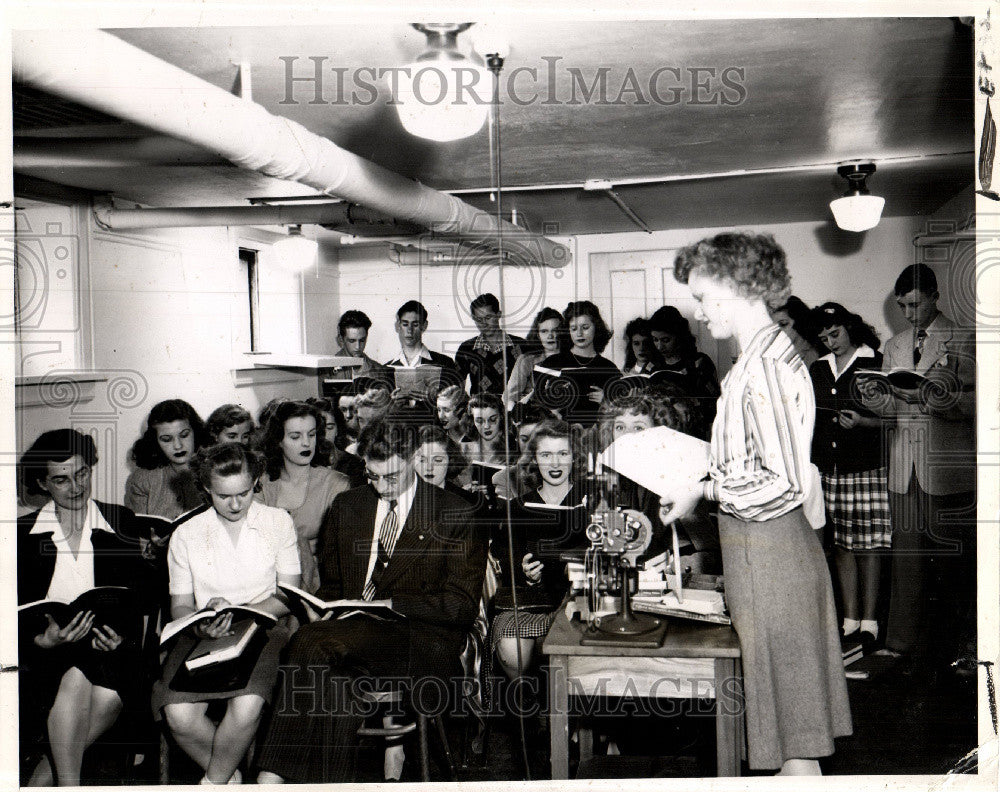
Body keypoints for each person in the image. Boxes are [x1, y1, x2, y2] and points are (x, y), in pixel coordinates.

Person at [658, 232, 850, 775]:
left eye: (701, 297)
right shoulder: (755, 359)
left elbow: (783, 482)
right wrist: (707, 476)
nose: (697, 314)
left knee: (795, 743)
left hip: (772, 557)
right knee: (787, 739)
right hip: (759, 553)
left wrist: (705, 488)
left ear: (737, 287)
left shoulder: (763, 364)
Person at [255, 418, 486, 784]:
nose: (380, 487)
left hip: (420, 638)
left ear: (414, 460)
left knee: (309, 642)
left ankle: (271, 777)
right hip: (350, 636)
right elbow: (333, 586)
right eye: (372, 475)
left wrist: (393, 605)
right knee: (332, 681)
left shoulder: (454, 513)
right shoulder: (348, 506)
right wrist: (321, 607)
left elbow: (460, 607)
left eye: (391, 477)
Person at [154, 443, 300, 785]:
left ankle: (212, 784)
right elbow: (181, 606)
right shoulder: (186, 534)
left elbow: (288, 595)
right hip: (205, 635)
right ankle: (228, 778)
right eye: (223, 496)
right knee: (177, 714)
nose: (236, 504)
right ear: (206, 489)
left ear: (256, 484)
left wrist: (242, 612)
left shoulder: (277, 522)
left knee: (248, 705)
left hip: (265, 629)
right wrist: (203, 622)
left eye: (244, 493)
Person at [858, 264, 976, 674]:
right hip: (903, 467)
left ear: (934, 295)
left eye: (915, 303)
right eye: (902, 306)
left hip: (946, 469)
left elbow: (977, 404)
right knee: (905, 559)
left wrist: (933, 398)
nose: (909, 314)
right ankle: (901, 644)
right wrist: (875, 398)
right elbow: (892, 408)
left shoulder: (963, 337)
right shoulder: (894, 345)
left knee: (952, 564)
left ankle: (962, 648)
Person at [17, 430, 149, 787]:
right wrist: (42, 641)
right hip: (45, 657)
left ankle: (44, 783)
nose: (76, 486)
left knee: (98, 683)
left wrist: (119, 638)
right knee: (78, 675)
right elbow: (11, 615)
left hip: (111, 651)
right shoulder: (20, 536)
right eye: (61, 479)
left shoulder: (119, 521)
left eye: (82, 473)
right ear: (43, 484)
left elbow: (138, 597)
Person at [807, 303, 890, 648]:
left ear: (849, 327)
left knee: (869, 545)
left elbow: (891, 419)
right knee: (841, 543)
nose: (830, 342)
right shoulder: (818, 368)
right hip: (830, 466)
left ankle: (870, 621)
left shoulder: (875, 361)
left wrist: (863, 422)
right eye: (824, 337)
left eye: (835, 333)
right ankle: (850, 619)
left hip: (866, 465)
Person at [490, 420, 590, 680]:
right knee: (513, 653)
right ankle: (529, 708)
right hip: (530, 600)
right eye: (546, 455)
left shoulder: (590, 501)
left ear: (575, 458)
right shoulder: (517, 507)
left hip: (582, 600)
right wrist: (523, 571)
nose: (555, 464)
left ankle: (562, 713)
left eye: (563, 454)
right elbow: (505, 557)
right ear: (534, 459)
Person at [255, 401, 351, 592]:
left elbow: (342, 554)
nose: (306, 443)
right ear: (278, 440)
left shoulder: (336, 484)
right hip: (269, 580)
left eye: (312, 434)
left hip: (322, 584)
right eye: (295, 436)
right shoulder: (262, 485)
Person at [536, 301, 620, 428]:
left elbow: (620, 413)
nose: (579, 334)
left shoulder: (609, 368)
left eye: (585, 327)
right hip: (559, 434)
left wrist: (606, 401)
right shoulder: (551, 363)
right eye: (574, 329)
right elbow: (537, 405)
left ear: (596, 328)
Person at [124, 399, 208, 521]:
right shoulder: (142, 479)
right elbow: (137, 534)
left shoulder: (214, 468)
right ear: (155, 441)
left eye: (184, 435)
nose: (178, 446)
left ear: (195, 431)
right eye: (167, 439)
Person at [647, 305, 721, 424]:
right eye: (655, 340)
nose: (659, 347)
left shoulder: (699, 362)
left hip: (692, 427)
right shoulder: (652, 365)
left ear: (679, 337)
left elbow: (713, 406)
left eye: (666, 340)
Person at [455, 293, 526, 396]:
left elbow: (532, 384)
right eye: (479, 319)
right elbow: (456, 387)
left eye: (488, 317)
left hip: (513, 409)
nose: (483, 323)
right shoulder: (466, 349)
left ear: (499, 314)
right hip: (479, 409)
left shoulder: (521, 346)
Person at [383, 300, 460, 392]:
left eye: (415, 324)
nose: (409, 330)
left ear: (424, 326)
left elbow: (455, 400)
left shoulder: (445, 363)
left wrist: (434, 399)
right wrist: (392, 403)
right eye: (405, 324)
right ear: (398, 326)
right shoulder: (386, 369)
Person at [503, 307, 566, 411]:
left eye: (555, 331)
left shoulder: (572, 358)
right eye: (544, 331)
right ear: (538, 335)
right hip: (534, 417)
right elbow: (510, 398)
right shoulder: (527, 361)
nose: (550, 336)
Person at [305, 396, 366, 487]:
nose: (324, 434)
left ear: (337, 429)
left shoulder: (354, 464)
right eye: (319, 429)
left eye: (330, 427)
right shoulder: (302, 463)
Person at [770, 295, 824, 368]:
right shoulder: (779, 352)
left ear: (798, 321)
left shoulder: (812, 356)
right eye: (773, 327)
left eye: (783, 324)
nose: (778, 331)